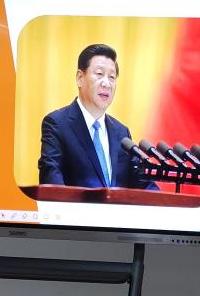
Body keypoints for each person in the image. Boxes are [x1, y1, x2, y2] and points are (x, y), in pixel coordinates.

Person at [38, 44, 155, 189]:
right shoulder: (57, 124)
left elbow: (142, 183)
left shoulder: (122, 133)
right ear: (80, 78)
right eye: (99, 74)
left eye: (112, 77)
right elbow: (51, 179)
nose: (107, 84)